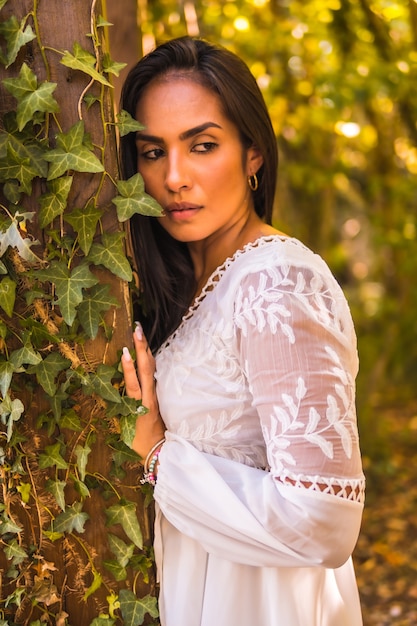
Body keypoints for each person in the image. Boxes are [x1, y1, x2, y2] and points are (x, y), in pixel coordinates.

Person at [120, 36, 365, 626]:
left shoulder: (276, 282)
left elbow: (324, 521)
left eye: (202, 145)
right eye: (153, 152)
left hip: (262, 605)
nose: (174, 177)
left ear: (253, 153)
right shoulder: (197, 281)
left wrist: (158, 453)